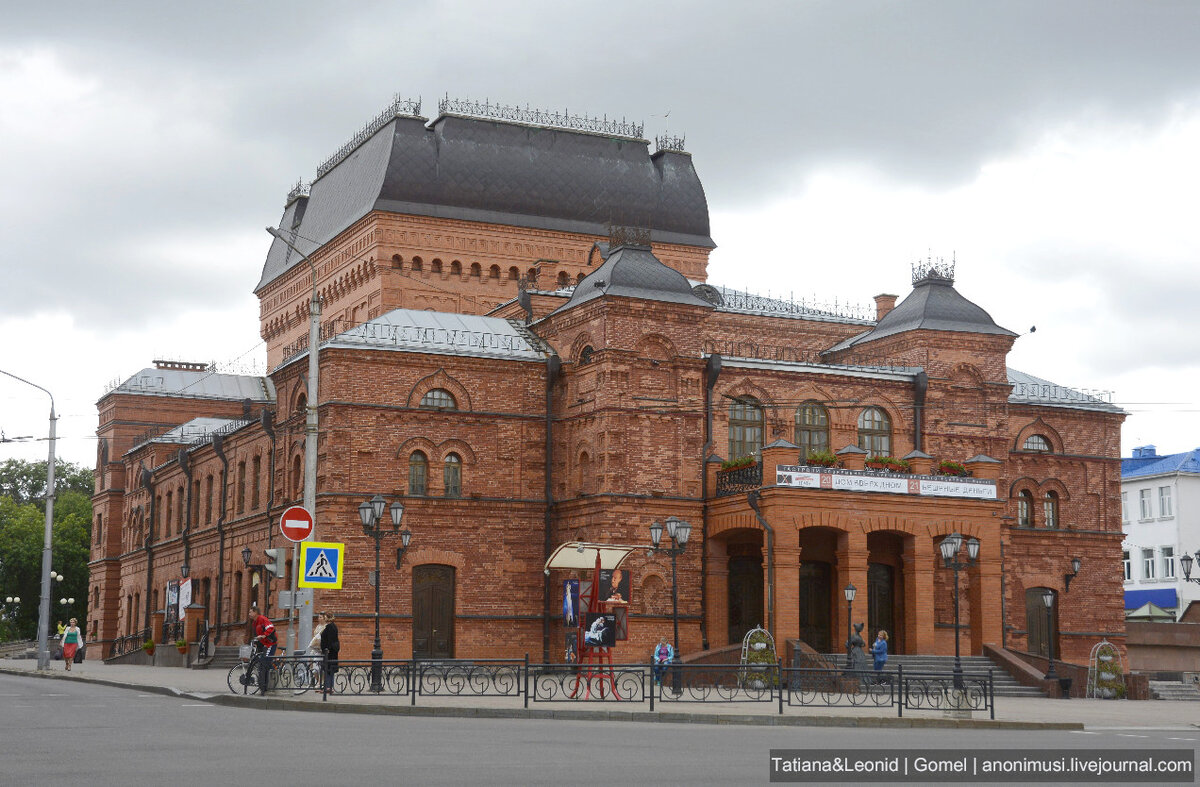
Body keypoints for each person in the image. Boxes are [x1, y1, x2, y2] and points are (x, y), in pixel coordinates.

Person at [249, 606, 277, 694]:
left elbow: (271, 628)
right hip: (263, 645)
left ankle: (264, 688)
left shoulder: (262, 619)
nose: (249, 614)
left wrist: (264, 635)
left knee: (264, 664)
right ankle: (263, 686)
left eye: (250, 612)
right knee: (262, 663)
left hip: (270, 644)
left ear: (255, 612)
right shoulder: (254, 622)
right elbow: (257, 633)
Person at [318, 611, 340, 690]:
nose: (324, 617)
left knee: (328, 669)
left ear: (328, 617)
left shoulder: (330, 627)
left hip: (329, 652)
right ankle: (328, 687)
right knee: (329, 670)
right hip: (331, 651)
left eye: (325, 616)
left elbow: (330, 640)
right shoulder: (332, 626)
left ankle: (328, 688)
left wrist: (326, 649)